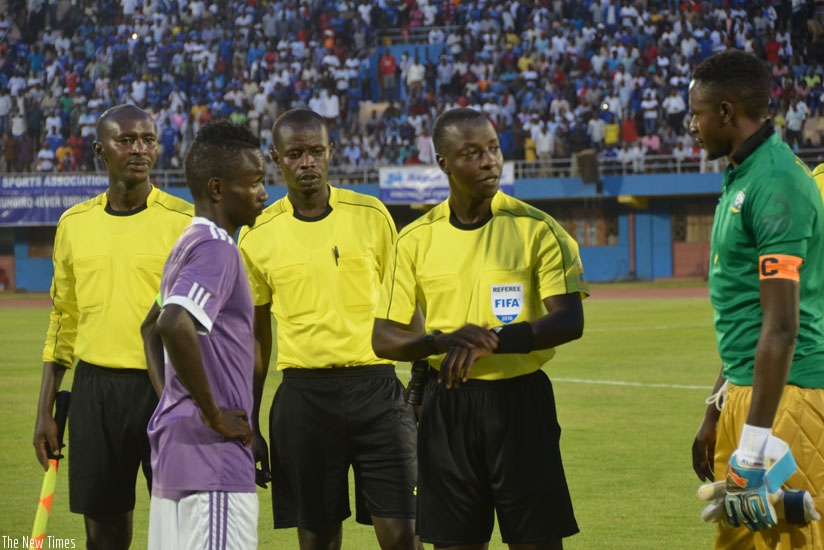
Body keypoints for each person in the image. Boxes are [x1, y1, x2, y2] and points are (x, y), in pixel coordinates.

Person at [372, 107, 588, 549]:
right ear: (443, 163)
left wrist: (494, 342)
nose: (489, 160)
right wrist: (439, 341)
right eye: (472, 153)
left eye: (493, 149)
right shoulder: (414, 239)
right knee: (455, 543)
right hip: (446, 406)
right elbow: (384, 339)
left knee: (537, 540)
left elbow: (569, 319)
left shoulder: (537, 228)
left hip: (521, 404)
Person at [236, 108, 418, 550]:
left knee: (402, 537)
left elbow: (407, 306)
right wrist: (251, 422)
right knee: (316, 539)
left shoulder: (371, 214)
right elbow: (258, 339)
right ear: (276, 159)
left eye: (316, 151)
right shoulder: (256, 234)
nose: (308, 162)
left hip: (378, 390)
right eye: (295, 153)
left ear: (331, 152)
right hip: (304, 398)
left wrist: (418, 387)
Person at [32, 104, 193, 549]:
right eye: (127, 140)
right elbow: (63, 318)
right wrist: (45, 409)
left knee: (181, 526)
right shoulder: (74, 224)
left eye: (147, 139)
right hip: (94, 391)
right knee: (103, 531)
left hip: (167, 389)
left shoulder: (185, 222)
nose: (139, 149)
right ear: (101, 150)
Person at [689, 50, 824, 548]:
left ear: (726, 111)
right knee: (740, 540)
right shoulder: (742, 176)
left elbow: (782, 326)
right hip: (749, 394)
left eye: (697, 114)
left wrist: (752, 446)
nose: (692, 126)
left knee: (795, 541)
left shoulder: (777, 182)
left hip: (790, 397)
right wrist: (716, 407)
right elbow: (748, 315)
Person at [141, 120, 269, 549]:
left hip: (179, 452)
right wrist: (212, 412)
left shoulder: (186, 243)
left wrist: (173, 401)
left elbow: (150, 327)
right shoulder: (217, 248)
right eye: (254, 183)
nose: (264, 194)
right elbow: (171, 323)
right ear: (217, 189)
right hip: (211, 459)